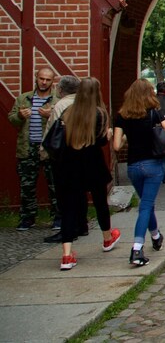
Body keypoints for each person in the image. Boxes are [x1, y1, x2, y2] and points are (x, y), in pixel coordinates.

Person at [52, 77, 121, 270]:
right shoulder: (99, 113)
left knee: (69, 208)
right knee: (100, 203)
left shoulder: (68, 112)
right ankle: (107, 238)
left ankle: (67, 255)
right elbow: (101, 141)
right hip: (92, 163)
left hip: (69, 164)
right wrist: (107, 135)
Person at [113, 78, 165, 267]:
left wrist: (128, 136)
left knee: (147, 205)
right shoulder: (155, 112)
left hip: (134, 166)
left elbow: (116, 146)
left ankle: (156, 236)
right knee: (146, 206)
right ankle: (137, 249)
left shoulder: (122, 115)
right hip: (153, 165)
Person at [7, 68, 60, 232]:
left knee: (55, 184)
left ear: (53, 81)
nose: (44, 82)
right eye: (41, 78)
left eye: (48, 80)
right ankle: (27, 218)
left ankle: (58, 217)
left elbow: (66, 121)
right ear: (36, 78)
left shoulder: (57, 100)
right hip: (28, 146)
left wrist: (50, 116)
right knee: (27, 185)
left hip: (49, 148)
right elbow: (12, 119)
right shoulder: (24, 98)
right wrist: (20, 116)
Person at [41, 75, 87, 244]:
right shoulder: (85, 103)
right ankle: (81, 224)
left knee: (64, 195)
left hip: (63, 155)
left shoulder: (61, 105)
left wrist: (44, 152)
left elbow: (52, 132)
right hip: (82, 153)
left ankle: (67, 230)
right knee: (80, 192)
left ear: (60, 89)